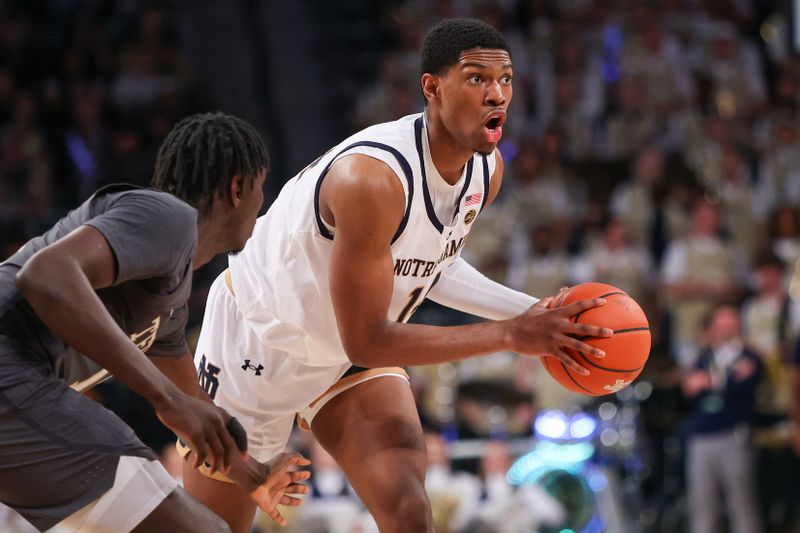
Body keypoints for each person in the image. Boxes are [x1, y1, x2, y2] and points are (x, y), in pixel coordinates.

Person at [186, 19, 612, 533]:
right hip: (254, 346)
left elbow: (435, 265)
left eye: (506, 79)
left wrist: (532, 311)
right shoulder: (371, 180)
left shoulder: (485, 172)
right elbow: (368, 339)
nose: (497, 94)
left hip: (343, 357)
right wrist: (512, 334)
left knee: (409, 510)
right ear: (432, 87)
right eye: (477, 78)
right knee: (205, 530)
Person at [0, 112, 309, 533]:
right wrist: (165, 398)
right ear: (239, 187)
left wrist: (251, 474)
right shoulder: (167, 217)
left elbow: (193, 405)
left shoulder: (168, 296)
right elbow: (44, 275)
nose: (262, 201)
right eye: (261, 186)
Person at [682, 305, 763, 533]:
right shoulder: (705, 357)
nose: (726, 331)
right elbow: (689, 386)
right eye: (721, 325)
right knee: (703, 506)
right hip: (701, 437)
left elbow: (745, 384)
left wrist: (709, 381)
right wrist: (722, 379)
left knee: (742, 504)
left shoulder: (749, 357)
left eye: (731, 325)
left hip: (733, 435)